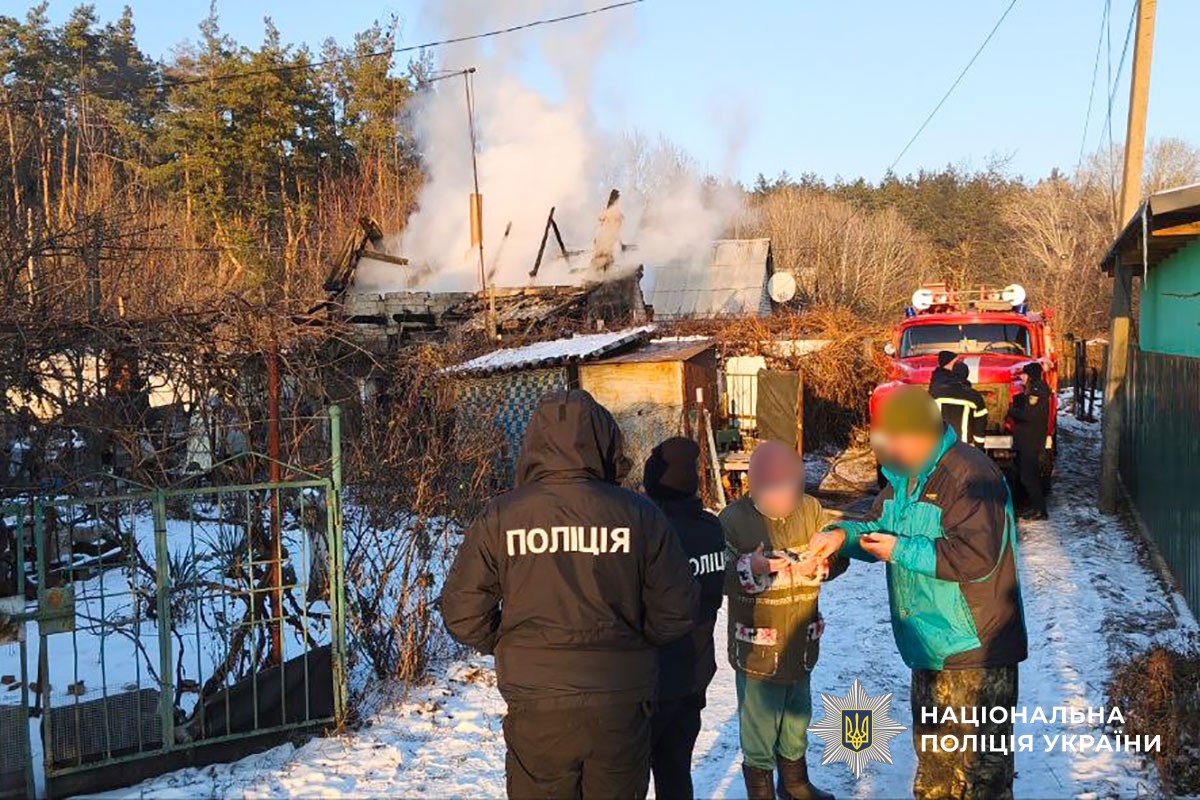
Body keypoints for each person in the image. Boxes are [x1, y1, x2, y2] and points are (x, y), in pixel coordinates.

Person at [441, 389, 698, 800]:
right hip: (619, 702)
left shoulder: (502, 516)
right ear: (606, 442)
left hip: (538, 704)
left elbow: (462, 611)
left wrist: (516, 646)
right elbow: (678, 606)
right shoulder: (640, 513)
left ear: (534, 445)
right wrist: (631, 640)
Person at [809, 386, 1027, 800]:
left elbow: (978, 557)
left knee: (981, 780)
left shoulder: (971, 476)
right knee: (934, 778)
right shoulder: (904, 479)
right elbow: (877, 529)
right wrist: (840, 537)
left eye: (890, 439)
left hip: (975, 653)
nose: (885, 450)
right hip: (927, 648)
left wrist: (901, 550)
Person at [720, 440, 844, 800]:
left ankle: (795, 784)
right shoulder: (733, 520)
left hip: (801, 640)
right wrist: (751, 567)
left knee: (796, 718)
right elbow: (717, 576)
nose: (782, 497)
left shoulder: (811, 510)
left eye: (789, 488)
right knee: (759, 727)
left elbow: (841, 555)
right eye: (772, 489)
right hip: (757, 648)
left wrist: (824, 561)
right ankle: (761, 792)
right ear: (753, 485)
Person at [642, 437, 725, 800]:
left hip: (654, 680)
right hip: (694, 675)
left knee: (631, 778)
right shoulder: (710, 529)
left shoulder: (650, 533)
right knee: (676, 775)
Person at [1007, 362, 1051, 520]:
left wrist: (1011, 410)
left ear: (1031, 375)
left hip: (1030, 441)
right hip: (1026, 440)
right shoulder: (1034, 390)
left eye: (1024, 374)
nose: (1021, 377)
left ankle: (1040, 511)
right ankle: (1035, 508)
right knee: (1025, 476)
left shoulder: (1038, 392)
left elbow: (1029, 415)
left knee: (1029, 477)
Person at [930, 360, 989, 448]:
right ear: (966, 375)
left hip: (939, 447)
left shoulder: (934, 393)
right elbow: (979, 426)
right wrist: (979, 448)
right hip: (963, 448)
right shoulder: (974, 396)